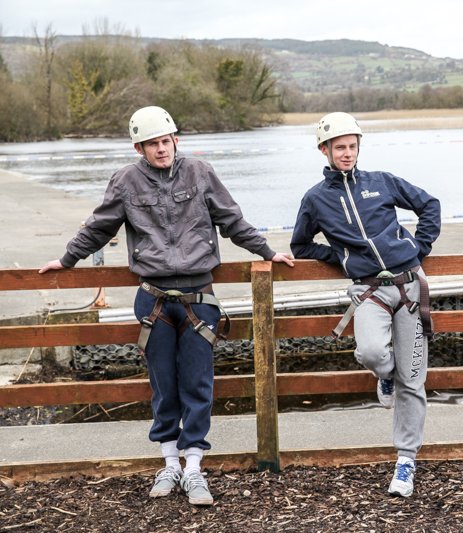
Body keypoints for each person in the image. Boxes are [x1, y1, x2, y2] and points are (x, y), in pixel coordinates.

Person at [39, 106, 294, 506]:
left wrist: (268, 251)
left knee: (198, 383)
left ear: (177, 140)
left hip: (199, 300)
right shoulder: (125, 181)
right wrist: (67, 259)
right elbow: (99, 225)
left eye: (166, 141)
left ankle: (194, 468)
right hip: (153, 299)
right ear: (139, 147)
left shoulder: (200, 173)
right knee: (162, 384)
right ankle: (169, 462)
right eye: (152, 144)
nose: (161, 150)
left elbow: (232, 220)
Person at [290, 112, 441, 497]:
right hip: (369, 291)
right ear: (323, 149)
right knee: (372, 351)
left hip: (409, 286)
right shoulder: (316, 199)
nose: (347, 153)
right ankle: (385, 376)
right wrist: (342, 259)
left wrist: (418, 248)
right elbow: (301, 245)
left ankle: (405, 461)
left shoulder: (382, 182)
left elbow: (430, 205)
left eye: (352, 146)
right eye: (339, 147)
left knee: (415, 381)